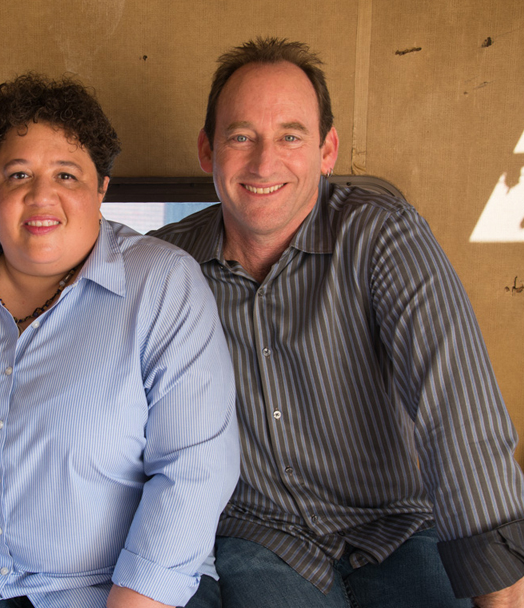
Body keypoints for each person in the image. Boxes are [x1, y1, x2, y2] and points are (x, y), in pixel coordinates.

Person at [151, 37, 524, 608]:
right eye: (241, 136)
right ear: (208, 150)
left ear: (327, 151)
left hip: (400, 525)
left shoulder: (381, 233)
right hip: (259, 536)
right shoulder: (165, 268)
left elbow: (459, 416)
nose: (264, 162)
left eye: (290, 136)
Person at [0, 73, 239, 608]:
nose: (40, 196)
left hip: (109, 585)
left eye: (67, 175)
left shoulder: (163, 286)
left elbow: (194, 471)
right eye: (17, 174)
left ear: (102, 189)